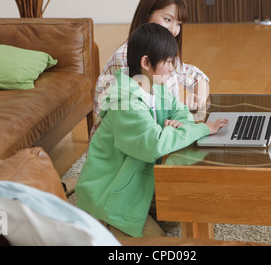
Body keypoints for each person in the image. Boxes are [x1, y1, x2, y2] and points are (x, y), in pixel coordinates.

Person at [75, 23, 228, 238]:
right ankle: (101, 223)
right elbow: (154, 144)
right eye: (168, 62)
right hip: (110, 193)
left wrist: (182, 126)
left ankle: (142, 211)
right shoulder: (126, 103)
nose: (173, 68)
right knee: (159, 243)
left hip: (139, 179)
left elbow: (181, 113)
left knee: (180, 212)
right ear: (146, 62)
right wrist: (202, 129)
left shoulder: (156, 87)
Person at [90, 0, 210, 138]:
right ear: (147, 14)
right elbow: (144, 122)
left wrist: (198, 98)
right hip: (126, 144)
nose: (174, 30)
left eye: (178, 23)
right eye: (168, 19)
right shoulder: (126, 58)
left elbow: (197, 76)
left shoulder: (161, 52)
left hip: (156, 133)